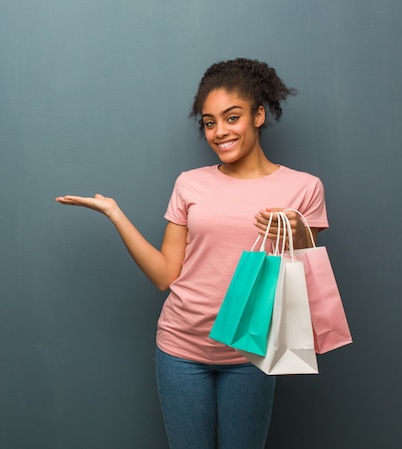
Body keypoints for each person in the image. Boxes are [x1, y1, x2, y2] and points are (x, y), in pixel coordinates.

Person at [55, 58, 328, 449]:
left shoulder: (303, 188)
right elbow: (166, 274)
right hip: (180, 351)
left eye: (231, 117)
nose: (219, 132)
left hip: (250, 354)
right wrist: (115, 214)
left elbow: (306, 277)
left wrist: (298, 232)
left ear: (259, 115)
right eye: (209, 122)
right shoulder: (190, 184)